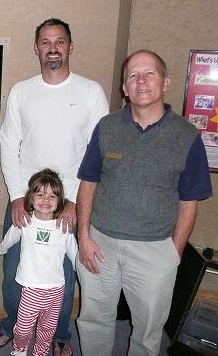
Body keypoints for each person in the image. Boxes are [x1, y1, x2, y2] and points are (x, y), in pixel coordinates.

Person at [76, 49, 213, 356]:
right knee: (93, 320)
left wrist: (172, 255)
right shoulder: (107, 127)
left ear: (165, 82)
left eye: (149, 73)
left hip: (155, 250)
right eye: (132, 76)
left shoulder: (187, 136)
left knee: (148, 332)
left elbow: (189, 202)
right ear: (124, 87)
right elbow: (88, 183)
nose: (141, 81)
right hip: (100, 245)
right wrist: (83, 236)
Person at [0, 18, 109, 356]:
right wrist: (16, 197)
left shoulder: (91, 92)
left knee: (64, 275)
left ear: (70, 46)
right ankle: (13, 328)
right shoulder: (23, 92)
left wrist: (76, 203)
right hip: (26, 202)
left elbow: (97, 155)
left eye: (59, 41)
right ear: (36, 47)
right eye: (45, 42)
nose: (52, 48)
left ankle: (58, 335)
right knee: (15, 271)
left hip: (70, 204)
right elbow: (9, 147)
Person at [0, 169, 77, 356]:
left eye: (52, 196)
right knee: (23, 328)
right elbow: (10, 238)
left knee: (46, 331)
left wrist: (82, 270)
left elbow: (74, 255)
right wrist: (1, 248)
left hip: (56, 290)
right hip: (31, 289)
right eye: (40, 194)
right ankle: (20, 350)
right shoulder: (25, 222)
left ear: (60, 201)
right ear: (30, 198)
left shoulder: (63, 227)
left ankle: (40, 353)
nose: (45, 200)